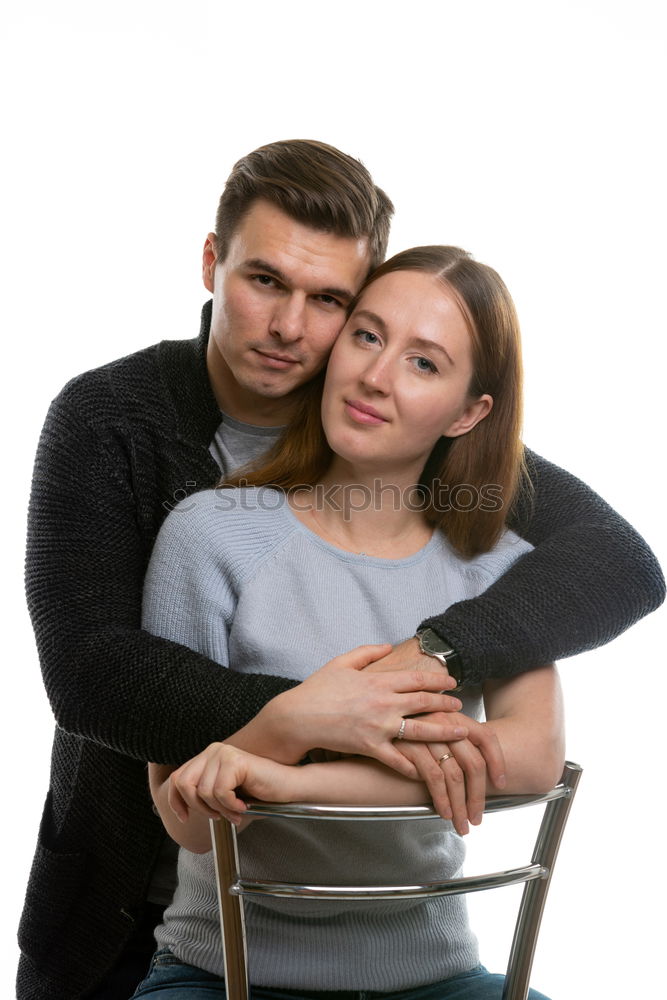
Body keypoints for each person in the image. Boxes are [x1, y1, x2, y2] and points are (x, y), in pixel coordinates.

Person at [18, 140, 664, 1000]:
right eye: (263, 281)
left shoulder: (412, 442)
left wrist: (429, 657)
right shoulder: (113, 423)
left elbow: (617, 562)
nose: (291, 328)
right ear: (211, 263)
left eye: (329, 301)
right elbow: (92, 674)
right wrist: (325, 715)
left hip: (393, 927)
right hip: (139, 899)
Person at [136, 245, 565, 998]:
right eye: (366, 335)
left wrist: (277, 779)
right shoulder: (209, 535)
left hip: (438, 977)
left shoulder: (501, 569)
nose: (373, 375)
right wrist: (303, 722)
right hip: (224, 974)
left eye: (423, 363)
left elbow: (530, 760)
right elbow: (188, 821)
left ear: (470, 412)